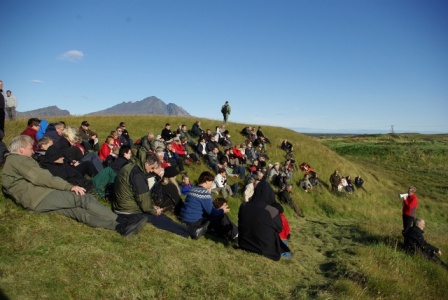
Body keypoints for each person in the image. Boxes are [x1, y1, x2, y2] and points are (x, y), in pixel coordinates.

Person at [2, 135, 147, 237]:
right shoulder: (18, 160)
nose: (32, 151)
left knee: (77, 212)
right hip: (40, 196)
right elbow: (41, 177)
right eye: (29, 148)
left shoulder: (10, 163)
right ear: (21, 150)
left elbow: (10, 187)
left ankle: (119, 228)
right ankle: (121, 220)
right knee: (83, 199)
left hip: (32, 202)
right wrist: (69, 187)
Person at [112, 152, 189, 238]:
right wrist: (154, 210)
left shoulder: (130, 166)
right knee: (159, 218)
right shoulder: (138, 175)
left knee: (158, 215)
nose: (152, 170)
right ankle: (186, 232)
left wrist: (151, 207)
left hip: (120, 205)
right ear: (146, 163)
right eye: (152, 167)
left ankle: (185, 230)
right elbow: (144, 203)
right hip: (127, 211)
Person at [238, 180, 291, 261]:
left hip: (244, 244)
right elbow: (279, 228)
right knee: (286, 251)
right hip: (264, 249)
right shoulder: (271, 210)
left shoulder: (244, 206)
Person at [179, 171, 237, 240]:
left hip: (184, 219)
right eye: (211, 182)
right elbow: (211, 213)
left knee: (218, 214)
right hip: (194, 221)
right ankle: (235, 235)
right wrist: (222, 210)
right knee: (222, 216)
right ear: (206, 181)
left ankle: (232, 231)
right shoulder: (204, 193)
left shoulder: (193, 189)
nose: (212, 184)